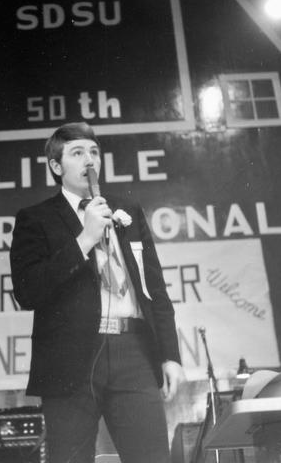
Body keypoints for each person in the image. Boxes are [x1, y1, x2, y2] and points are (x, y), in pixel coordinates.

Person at [10, 122, 185, 463]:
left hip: (133, 351)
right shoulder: (36, 218)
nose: (89, 160)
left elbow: (155, 290)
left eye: (93, 152)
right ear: (56, 167)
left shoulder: (127, 212)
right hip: (70, 357)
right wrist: (85, 239)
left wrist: (171, 355)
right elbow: (28, 291)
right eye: (77, 153)